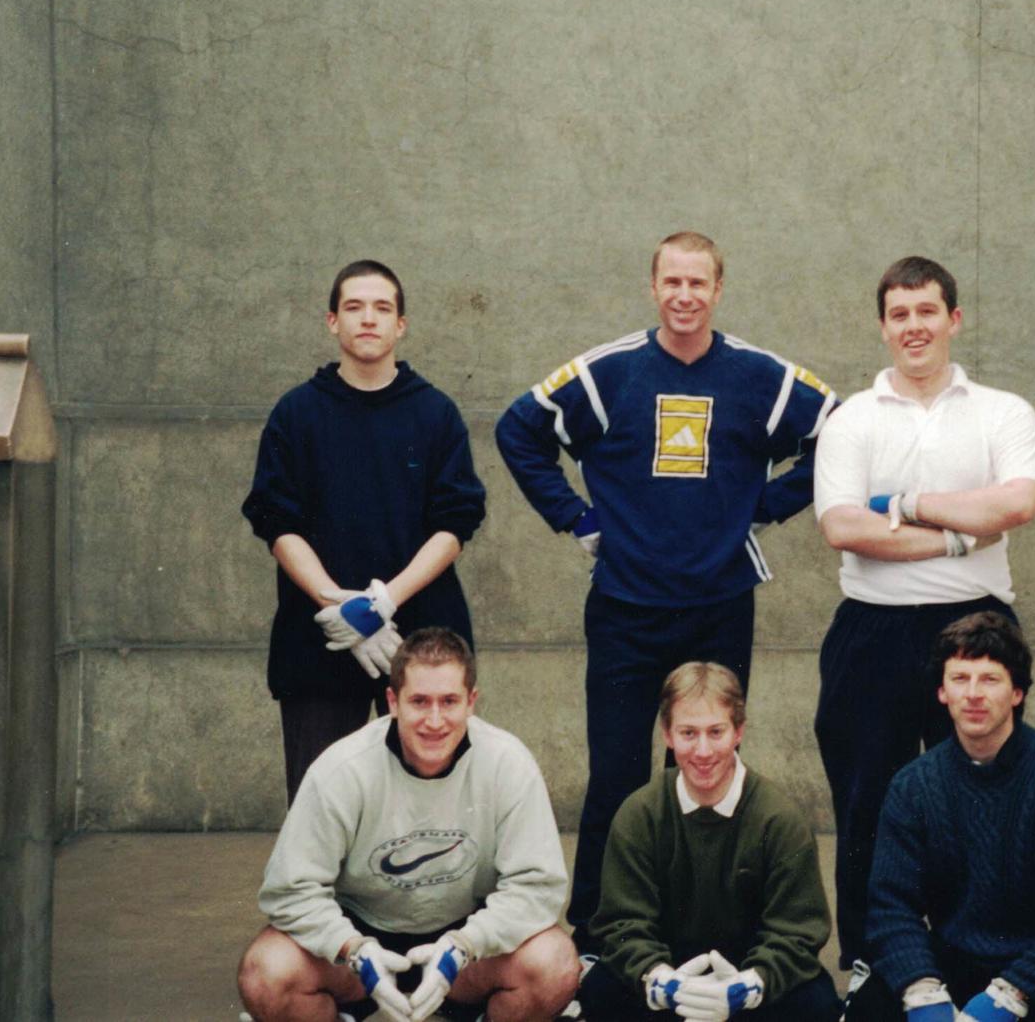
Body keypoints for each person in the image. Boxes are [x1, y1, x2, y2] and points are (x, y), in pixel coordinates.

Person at [494, 231, 836, 945]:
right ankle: (595, 935)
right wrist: (573, 516)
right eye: (671, 282)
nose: (684, 296)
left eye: (698, 284)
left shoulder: (754, 375)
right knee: (617, 779)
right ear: (653, 287)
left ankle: (707, 929)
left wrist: (765, 505)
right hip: (624, 607)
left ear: (718, 290)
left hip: (717, 605)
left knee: (707, 772)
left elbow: (837, 429)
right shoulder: (608, 372)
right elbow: (517, 430)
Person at [811, 255, 1035, 967]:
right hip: (871, 631)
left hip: (977, 626)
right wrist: (957, 536)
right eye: (899, 315)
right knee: (868, 810)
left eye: (926, 312)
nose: (913, 327)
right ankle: (869, 966)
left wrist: (908, 506)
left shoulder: (1002, 411)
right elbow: (843, 528)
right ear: (882, 327)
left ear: (953, 318)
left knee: (981, 798)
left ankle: (976, 955)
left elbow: (1016, 503)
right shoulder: (851, 419)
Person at [237, 628, 580, 1022]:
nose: (434, 720)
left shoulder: (508, 764)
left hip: (466, 944)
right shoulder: (341, 770)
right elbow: (289, 890)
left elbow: (537, 888)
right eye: (419, 701)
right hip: (361, 940)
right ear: (392, 702)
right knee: (266, 973)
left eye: (448, 701)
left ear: (471, 702)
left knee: (554, 963)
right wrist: (352, 949)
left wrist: (462, 947)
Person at [242, 259, 486, 804]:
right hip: (319, 643)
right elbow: (276, 521)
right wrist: (339, 604)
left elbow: (455, 524)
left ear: (401, 324)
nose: (368, 319)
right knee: (322, 805)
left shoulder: (435, 414)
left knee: (435, 806)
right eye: (354, 307)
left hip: (420, 641)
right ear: (333, 321)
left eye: (382, 308)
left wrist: (382, 603)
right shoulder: (296, 414)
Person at [844, 613, 1035, 1021]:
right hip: (959, 959)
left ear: (1017, 692)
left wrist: (1008, 997)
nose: (973, 694)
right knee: (870, 1009)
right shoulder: (913, 787)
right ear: (942, 692)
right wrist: (923, 990)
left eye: (990, 679)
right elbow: (891, 908)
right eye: (960, 679)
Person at [578, 662, 839, 1021]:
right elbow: (622, 924)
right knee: (600, 991)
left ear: (739, 732)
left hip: (746, 979)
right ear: (667, 735)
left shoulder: (779, 818)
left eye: (716, 732)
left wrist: (748, 986)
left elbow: (797, 933)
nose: (702, 751)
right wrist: (662, 981)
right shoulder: (640, 813)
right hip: (670, 976)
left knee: (816, 1001)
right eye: (688, 733)